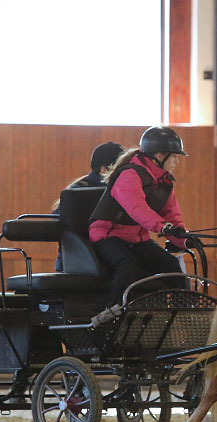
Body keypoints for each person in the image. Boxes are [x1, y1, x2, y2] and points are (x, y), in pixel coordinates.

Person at [88, 126, 195, 308]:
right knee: (127, 265)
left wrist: (185, 239)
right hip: (108, 235)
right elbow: (137, 209)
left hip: (136, 239)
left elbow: (173, 218)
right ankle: (112, 312)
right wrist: (162, 227)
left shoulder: (164, 183)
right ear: (160, 156)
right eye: (174, 156)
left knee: (172, 266)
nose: (177, 161)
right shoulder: (129, 175)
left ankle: (183, 312)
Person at [53, 141, 125, 270]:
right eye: (121, 168)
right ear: (104, 169)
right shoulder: (79, 191)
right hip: (81, 259)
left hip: (101, 256)